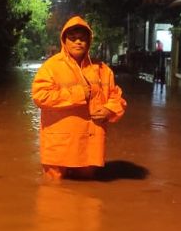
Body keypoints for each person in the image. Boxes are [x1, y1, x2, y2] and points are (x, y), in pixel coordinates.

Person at [31, 16, 127, 182]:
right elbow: (40, 96)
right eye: (73, 38)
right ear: (64, 41)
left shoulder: (103, 69)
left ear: (89, 41)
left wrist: (109, 110)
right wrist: (78, 94)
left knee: (87, 191)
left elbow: (116, 97)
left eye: (82, 38)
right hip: (58, 145)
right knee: (53, 188)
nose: (78, 42)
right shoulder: (51, 67)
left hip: (89, 147)